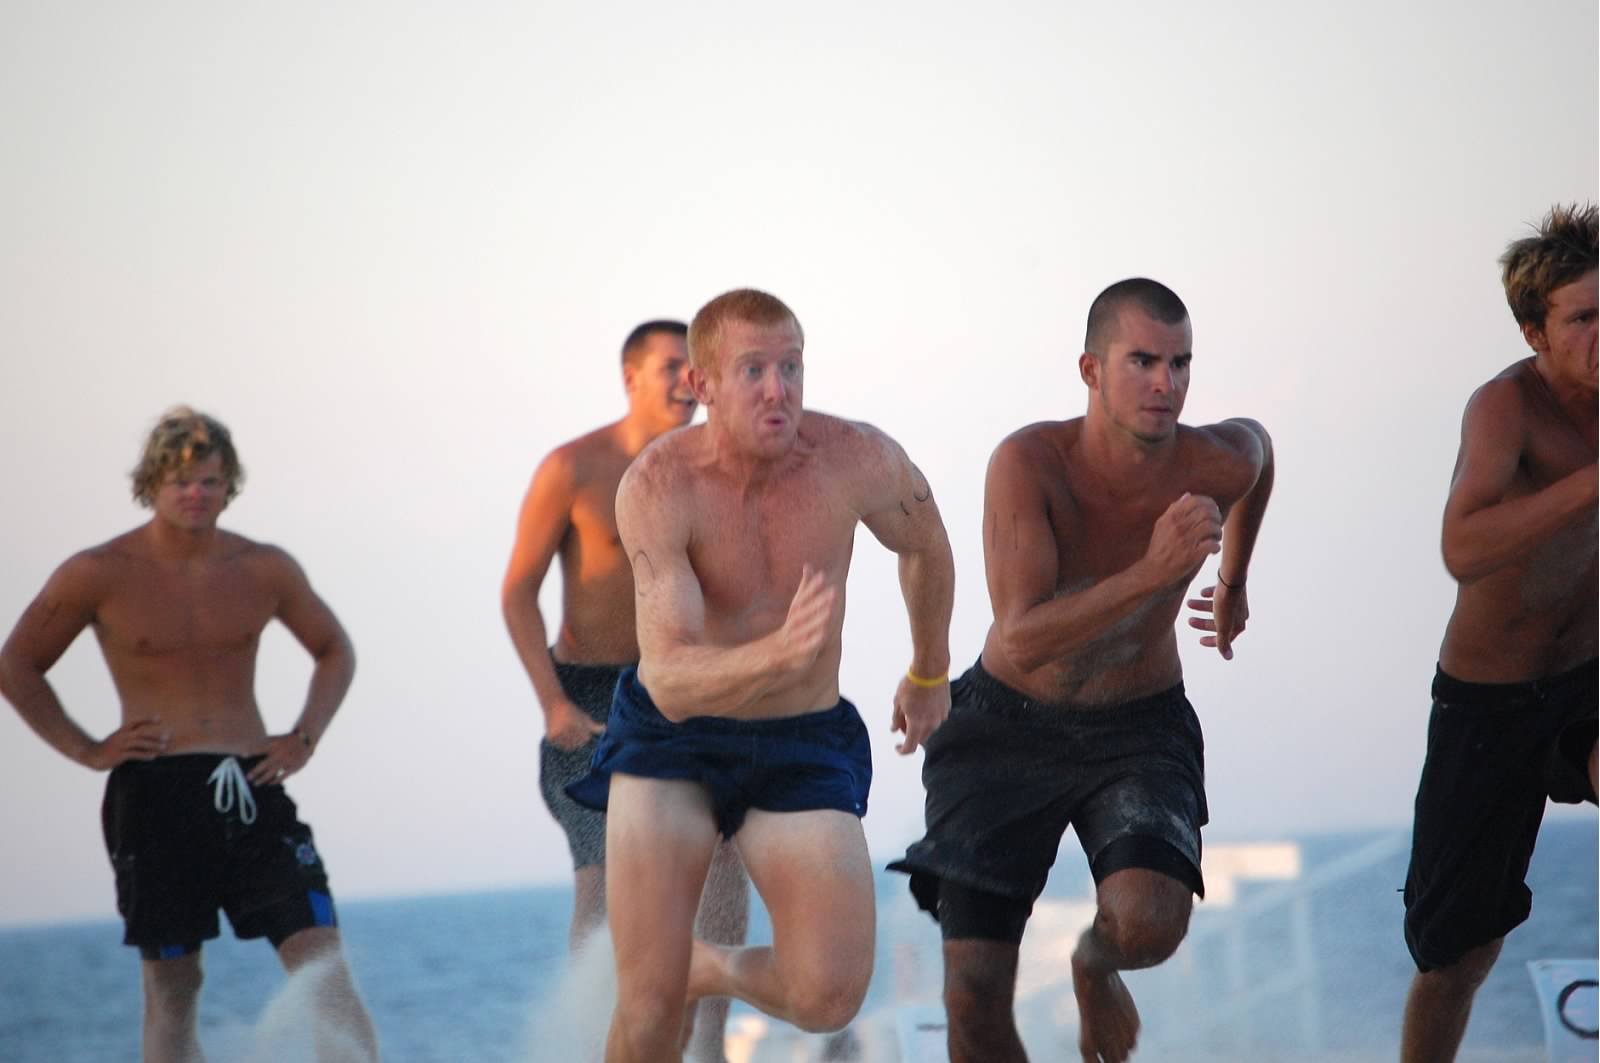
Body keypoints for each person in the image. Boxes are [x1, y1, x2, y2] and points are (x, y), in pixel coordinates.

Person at [565, 288, 956, 1062]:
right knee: (648, 1007)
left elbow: (927, 544)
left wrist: (929, 670)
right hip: (672, 739)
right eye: (753, 370)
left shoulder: (857, 457)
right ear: (702, 385)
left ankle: (703, 967)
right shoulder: (659, 484)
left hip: (800, 737)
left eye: (791, 367)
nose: (779, 389)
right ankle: (668, 978)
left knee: (827, 994)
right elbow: (670, 678)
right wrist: (774, 656)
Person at [891, 277, 1275, 1063]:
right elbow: (1025, 635)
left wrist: (1233, 579)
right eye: (1143, 361)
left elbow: (1260, 455)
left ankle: (1092, 965)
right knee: (973, 1001)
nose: (1166, 383)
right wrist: (1153, 570)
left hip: (1138, 725)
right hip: (1006, 722)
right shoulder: (1030, 463)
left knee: (1149, 925)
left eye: (1180, 363)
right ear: (1090, 370)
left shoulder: (1212, 459)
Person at [0, 407, 378, 1063]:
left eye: (210, 481)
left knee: (323, 969)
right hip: (155, 795)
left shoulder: (263, 567)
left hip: (255, 785)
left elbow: (334, 649)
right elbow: (16, 664)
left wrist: (305, 735)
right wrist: (87, 748)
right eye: (181, 482)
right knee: (174, 989)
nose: (196, 494)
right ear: (151, 484)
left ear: (230, 485)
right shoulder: (98, 571)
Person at [501, 319, 748, 1060]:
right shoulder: (573, 467)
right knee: (606, 876)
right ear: (630, 377)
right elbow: (517, 593)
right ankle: (589, 1043)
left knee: (724, 855)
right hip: (589, 699)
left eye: (695, 368)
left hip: (686, 691)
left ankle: (708, 1047)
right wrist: (551, 703)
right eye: (671, 366)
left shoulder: (719, 466)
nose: (686, 381)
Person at [1399, 204, 1598, 1063]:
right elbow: (1462, 546)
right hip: (1488, 700)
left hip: (1588, 676)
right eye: (1583, 317)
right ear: (1535, 333)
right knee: (1458, 952)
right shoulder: (1505, 407)